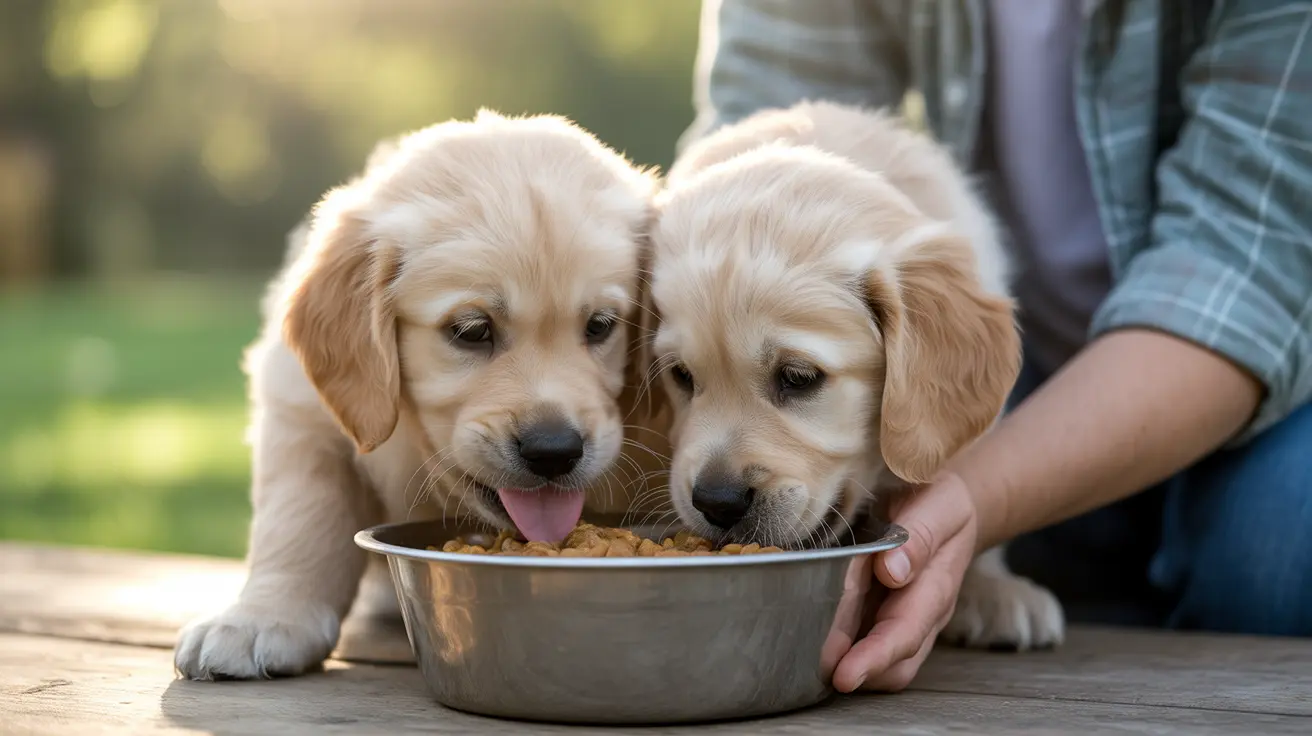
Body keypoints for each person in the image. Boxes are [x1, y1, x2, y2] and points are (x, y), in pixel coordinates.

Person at [678, 0, 1312, 692]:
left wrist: (968, 504)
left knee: (1277, 554)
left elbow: (1247, 275)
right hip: (1017, 362)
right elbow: (754, 167)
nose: (716, 481)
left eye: (796, 378)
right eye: (680, 373)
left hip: (1264, 373)